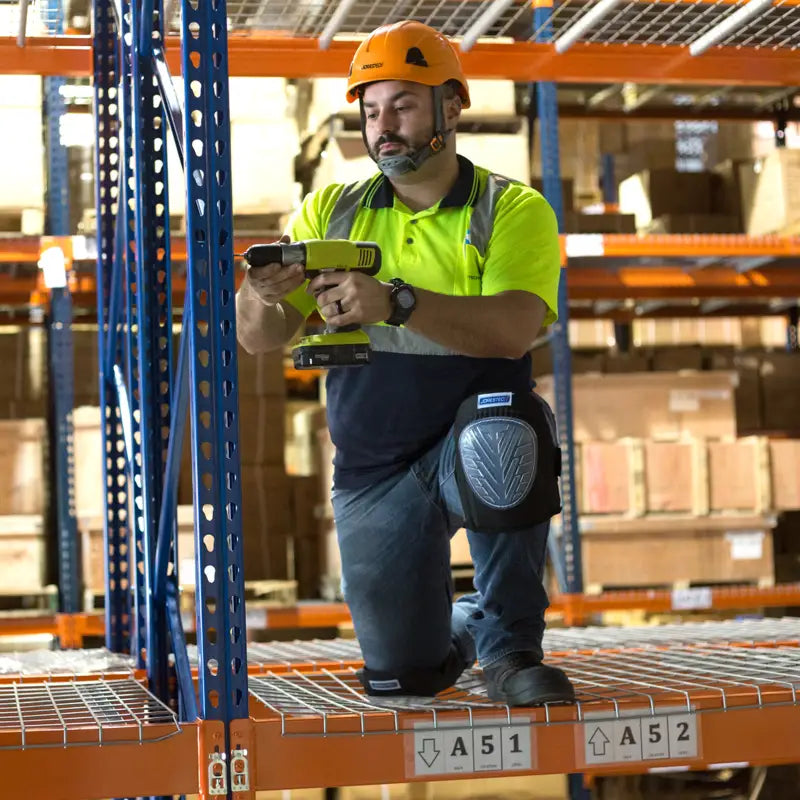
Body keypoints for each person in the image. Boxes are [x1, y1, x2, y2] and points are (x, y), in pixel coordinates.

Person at [236, 20, 575, 707]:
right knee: (402, 677)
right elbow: (258, 340)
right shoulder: (333, 208)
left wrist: (395, 301)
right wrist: (259, 294)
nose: (382, 125)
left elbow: (513, 329)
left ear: (452, 106)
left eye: (404, 105)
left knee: (506, 429)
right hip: (374, 470)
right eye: (370, 110)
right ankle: (470, 625)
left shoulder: (510, 210)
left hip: (468, 442)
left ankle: (510, 650)